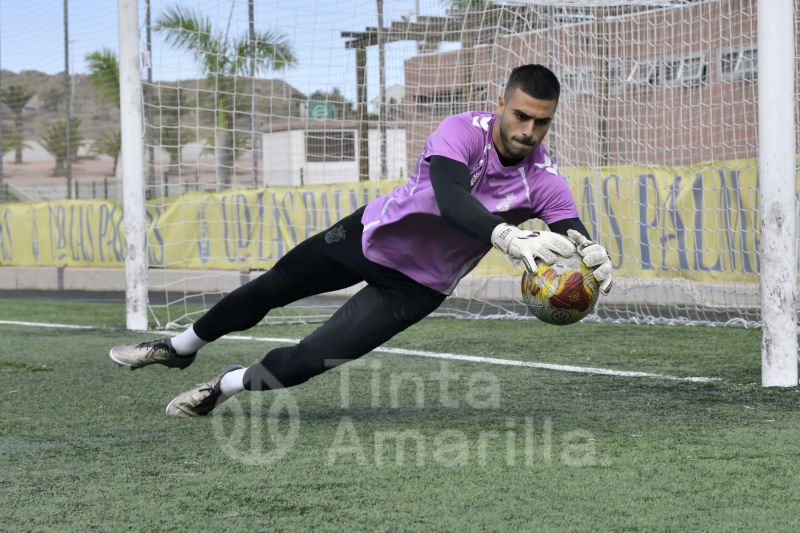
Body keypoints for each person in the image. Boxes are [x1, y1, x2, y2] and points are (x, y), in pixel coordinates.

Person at [109, 64, 613, 417]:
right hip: (368, 236)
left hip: (416, 288)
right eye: (520, 115)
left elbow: (573, 231)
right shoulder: (461, 130)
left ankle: (223, 386)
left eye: (541, 121)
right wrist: (505, 236)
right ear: (501, 103)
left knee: (308, 361)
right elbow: (451, 196)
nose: (528, 130)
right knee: (268, 290)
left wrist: (591, 257)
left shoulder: (546, 180)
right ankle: (178, 347)